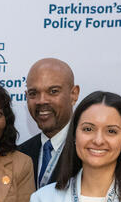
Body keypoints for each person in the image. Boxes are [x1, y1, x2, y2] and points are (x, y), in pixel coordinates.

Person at [18, 58, 80, 189]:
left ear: (74, 94)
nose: (41, 101)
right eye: (33, 93)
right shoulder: (20, 154)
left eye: (53, 91)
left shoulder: (90, 151)